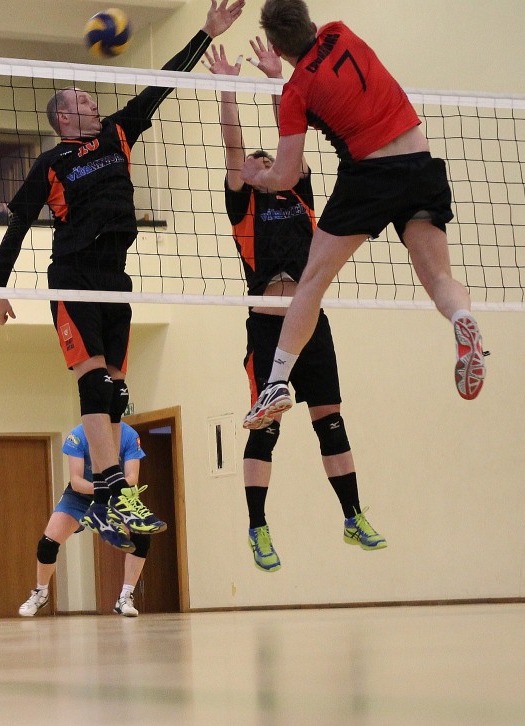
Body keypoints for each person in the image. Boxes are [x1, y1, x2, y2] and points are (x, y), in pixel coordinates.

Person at [0, 0, 244, 551]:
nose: (92, 102)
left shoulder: (117, 132)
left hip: (114, 277)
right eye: (82, 100)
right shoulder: (50, 164)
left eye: (91, 97)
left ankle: (106, 499)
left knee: (117, 392)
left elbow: (164, 82)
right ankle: (111, 495)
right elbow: (18, 224)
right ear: (62, 118)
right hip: (73, 276)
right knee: (96, 382)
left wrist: (205, 32)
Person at [241, 0, 487, 431]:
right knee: (439, 279)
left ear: (276, 49)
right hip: (420, 164)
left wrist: (257, 178)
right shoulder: (340, 31)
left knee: (312, 281)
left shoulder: (297, 92)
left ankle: (276, 382)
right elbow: (312, 46)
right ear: (311, 21)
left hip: (369, 177)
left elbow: (286, 175)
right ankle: (462, 319)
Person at [207, 41, 386, 572]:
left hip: (311, 323)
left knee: (330, 420)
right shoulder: (243, 205)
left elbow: (291, 135)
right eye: (255, 161)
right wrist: (227, 90)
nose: (262, 162)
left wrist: (275, 79)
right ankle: (258, 527)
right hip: (267, 327)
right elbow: (233, 147)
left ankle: (353, 516)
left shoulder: (298, 192)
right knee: (267, 427)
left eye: (269, 160)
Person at [19, 422, 151, 618]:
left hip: (116, 495)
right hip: (81, 495)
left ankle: (125, 596)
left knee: (141, 534)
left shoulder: (129, 435)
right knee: (47, 543)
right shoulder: (78, 435)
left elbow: (132, 477)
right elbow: (76, 481)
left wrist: (109, 491)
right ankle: (41, 592)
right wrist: (100, 489)